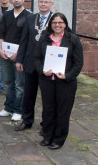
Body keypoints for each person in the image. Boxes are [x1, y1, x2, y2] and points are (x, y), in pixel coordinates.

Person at [34, 13, 83, 150]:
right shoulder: (44, 38)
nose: (57, 25)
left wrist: (67, 75)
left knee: (63, 111)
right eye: (54, 22)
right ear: (51, 24)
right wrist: (43, 70)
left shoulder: (73, 39)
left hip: (66, 82)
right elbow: (36, 59)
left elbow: (78, 63)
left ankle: (58, 139)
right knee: (48, 110)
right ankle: (47, 136)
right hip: (47, 81)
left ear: (65, 24)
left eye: (60, 22)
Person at [15, 0, 54, 132]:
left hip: (47, 64)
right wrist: (19, 59)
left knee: (47, 97)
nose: (43, 4)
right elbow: (24, 40)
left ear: (51, 5)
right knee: (28, 93)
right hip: (30, 62)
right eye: (41, 2)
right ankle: (27, 120)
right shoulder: (31, 18)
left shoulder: (56, 20)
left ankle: (46, 124)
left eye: (46, 2)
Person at [0, 0, 32, 121]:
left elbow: (28, 38)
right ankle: (8, 107)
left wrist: (19, 54)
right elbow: (1, 33)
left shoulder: (29, 16)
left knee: (20, 85)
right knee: (8, 82)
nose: (16, 0)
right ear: (11, 0)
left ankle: (18, 110)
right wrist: (0, 49)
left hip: (20, 56)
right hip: (5, 54)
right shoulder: (6, 15)